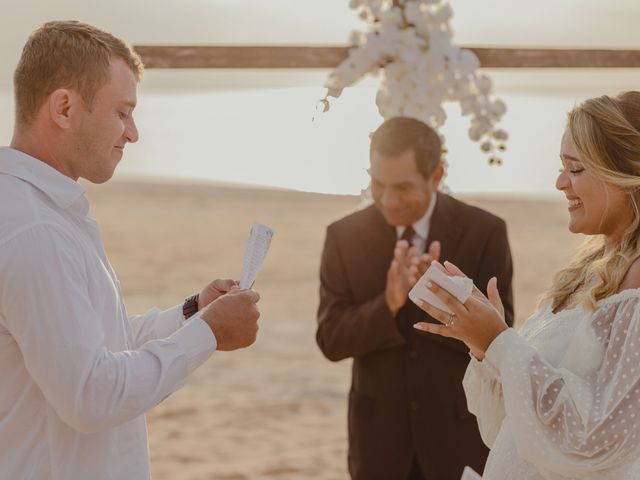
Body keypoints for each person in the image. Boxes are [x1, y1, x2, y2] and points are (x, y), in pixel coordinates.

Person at [0, 21, 261, 480]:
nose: (133, 133)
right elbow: (91, 394)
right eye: (122, 113)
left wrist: (195, 312)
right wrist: (209, 335)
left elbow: (102, 345)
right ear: (64, 108)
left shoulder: (44, 211)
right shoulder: (34, 229)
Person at [414, 91, 640, 479]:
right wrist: (484, 343)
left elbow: (596, 441)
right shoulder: (589, 269)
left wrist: (501, 340)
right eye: (561, 167)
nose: (559, 182)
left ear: (627, 174)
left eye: (576, 169)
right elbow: (512, 426)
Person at [316, 116, 514, 480]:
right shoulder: (343, 237)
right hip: (378, 445)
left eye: (403, 187)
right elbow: (330, 340)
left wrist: (448, 301)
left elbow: (502, 343)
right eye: (378, 184)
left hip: (459, 441)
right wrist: (387, 304)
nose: (388, 200)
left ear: (436, 176)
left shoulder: (485, 232)